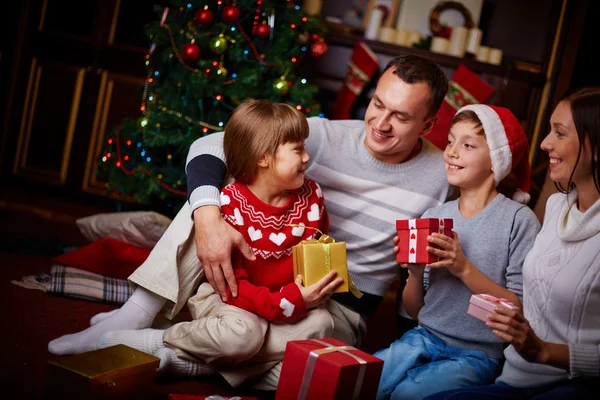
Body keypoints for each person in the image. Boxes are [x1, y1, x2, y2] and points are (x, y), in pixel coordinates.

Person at [49, 54, 453, 388]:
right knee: (215, 190)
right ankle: (138, 311)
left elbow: (488, 203)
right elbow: (212, 144)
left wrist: (411, 346)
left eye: (400, 116)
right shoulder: (326, 136)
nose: (380, 124)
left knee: (314, 375)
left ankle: (175, 354)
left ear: (430, 124)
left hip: (336, 304)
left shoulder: (442, 174)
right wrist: (208, 218)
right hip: (260, 268)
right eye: (378, 104)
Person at [92, 99, 343, 381]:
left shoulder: (312, 196)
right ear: (263, 157)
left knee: (322, 323)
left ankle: (191, 357)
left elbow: (316, 252)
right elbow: (235, 289)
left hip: (284, 302)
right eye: (298, 149)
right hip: (232, 297)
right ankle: (163, 340)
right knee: (245, 335)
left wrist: (312, 291)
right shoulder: (231, 203)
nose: (308, 157)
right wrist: (291, 301)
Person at [425, 87, 600, 399]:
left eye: (559, 133)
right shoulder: (557, 207)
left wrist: (544, 351)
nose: (545, 144)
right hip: (516, 376)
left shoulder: (518, 219)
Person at [374, 104, 541, 400]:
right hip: (422, 337)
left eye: (467, 145)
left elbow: (519, 306)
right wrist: (413, 272)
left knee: (408, 395)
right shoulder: (433, 216)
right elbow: (415, 311)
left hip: (478, 355)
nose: (451, 152)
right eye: (450, 141)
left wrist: (463, 268)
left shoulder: (519, 220)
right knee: (367, 377)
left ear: (497, 160)